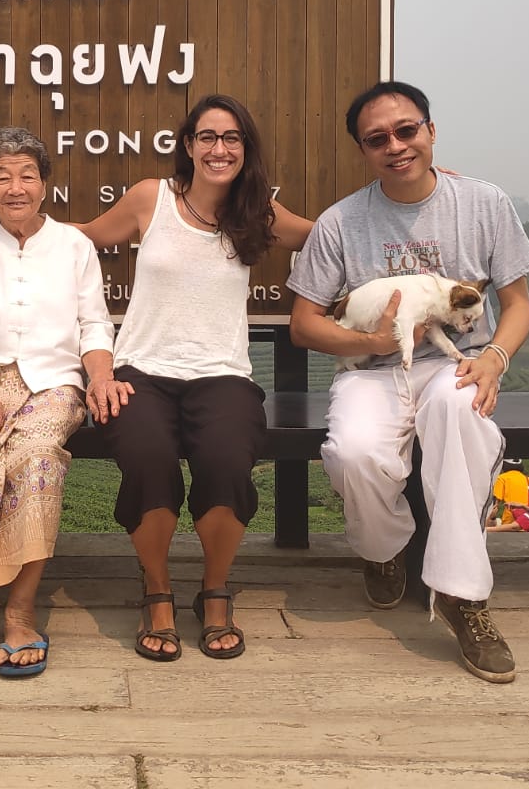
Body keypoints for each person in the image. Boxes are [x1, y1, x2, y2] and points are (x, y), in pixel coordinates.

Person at [288, 80, 529, 684]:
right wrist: (371, 344)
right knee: (353, 454)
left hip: (457, 363)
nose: (396, 146)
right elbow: (303, 324)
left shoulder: (482, 203)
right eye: (378, 139)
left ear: (430, 130)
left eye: (407, 131)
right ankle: (386, 550)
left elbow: (518, 303)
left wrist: (495, 358)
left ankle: (462, 595)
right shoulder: (341, 222)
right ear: (363, 150)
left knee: (460, 418)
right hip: (373, 369)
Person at [78, 94, 313, 661]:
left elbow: (329, 233)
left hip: (222, 374)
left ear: (245, 148)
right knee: (148, 458)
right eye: (207, 137)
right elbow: (82, 236)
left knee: (228, 460)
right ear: (188, 145)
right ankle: (157, 592)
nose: (219, 149)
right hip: (140, 371)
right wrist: (1, 227)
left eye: (231, 138)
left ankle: (214, 590)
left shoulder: (259, 211)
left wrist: (407, 191)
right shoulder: (151, 198)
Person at [0, 127, 123, 683]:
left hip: (52, 384)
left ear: (45, 184)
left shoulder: (74, 246)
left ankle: (20, 612)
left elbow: (94, 323)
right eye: (2, 177)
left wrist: (100, 376)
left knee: (35, 458)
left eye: (27, 175)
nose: (16, 187)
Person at [488, 458, 529, 529]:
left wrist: (491, 519)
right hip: (527, 521)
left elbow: (494, 505)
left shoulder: (502, 478)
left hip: (510, 523)